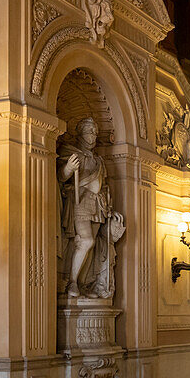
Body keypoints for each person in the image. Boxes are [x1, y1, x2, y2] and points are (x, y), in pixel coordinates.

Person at [57, 118, 125, 298]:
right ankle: (71, 282)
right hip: (79, 201)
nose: (93, 135)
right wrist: (69, 168)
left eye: (95, 132)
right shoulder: (71, 153)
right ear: (80, 133)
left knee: (92, 247)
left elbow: (104, 186)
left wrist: (108, 205)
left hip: (98, 205)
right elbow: (61, 178)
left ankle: (82, 283)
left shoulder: (99, 160)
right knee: (86, 241)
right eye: (89, 131)